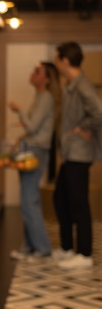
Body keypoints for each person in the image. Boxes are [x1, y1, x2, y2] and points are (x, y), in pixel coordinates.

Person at [52, 41, 102, 270]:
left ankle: (84, 253)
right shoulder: (72, 84)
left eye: (57, 58)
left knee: (78, 203)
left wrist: (83, 128)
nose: (55, 63)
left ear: (65, 60)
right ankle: (67, 247)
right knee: (61, 199)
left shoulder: (82, 85)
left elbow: (99, 112)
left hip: (79, 154)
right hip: (71, 154)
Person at [8, 62, 59, 260]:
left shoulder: (45, 98)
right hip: (33, 149)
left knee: (30, 200)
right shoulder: (42, 97)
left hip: (36, 151)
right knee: (28, 199)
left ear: (46, 79)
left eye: (37, 72)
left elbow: (32, 127)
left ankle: (41, 247)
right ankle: (30, 246)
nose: (32, 74)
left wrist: (19, 110)